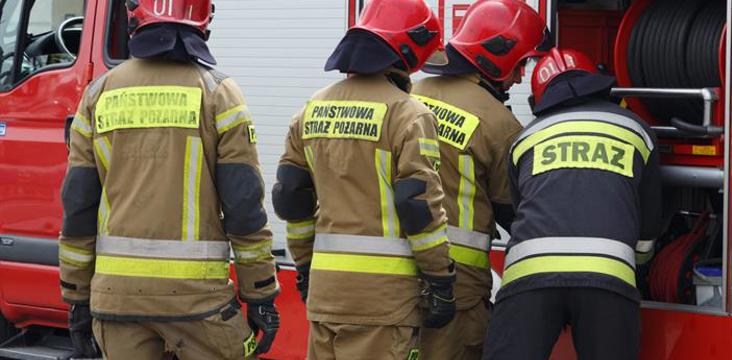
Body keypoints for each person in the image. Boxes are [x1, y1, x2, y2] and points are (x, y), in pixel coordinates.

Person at [59, 1, 279, 359]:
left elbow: (78, 206)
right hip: (199, 303)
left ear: (135, 17)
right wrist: (261, 292)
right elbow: (243, 207)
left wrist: (76, 297)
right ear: (204, 21)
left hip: (116, 301)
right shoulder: (219, 94)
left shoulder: (97, 95)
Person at [272, 0, 456, 358]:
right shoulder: (409, 114)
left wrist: (306, 267)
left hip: (326, 292)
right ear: (409, 53)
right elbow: (417, 206)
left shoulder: (311, 109)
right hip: (384, 300)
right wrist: (440, 279)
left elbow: (292, 198)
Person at [482, 48, 662, 360]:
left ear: (539, 99)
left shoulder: (526, 138)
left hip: (530, 276)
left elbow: (518, 207)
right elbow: (648, 224)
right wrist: (640, 269)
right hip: (607, 278)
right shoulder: (637, 131)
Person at [410, 0, 550, 358]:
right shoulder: (501, 127)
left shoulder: (413, 94)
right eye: (520, 65)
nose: (521, 77)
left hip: (398, 275)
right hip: (460, 287)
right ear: (498, 57)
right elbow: (515, 213)